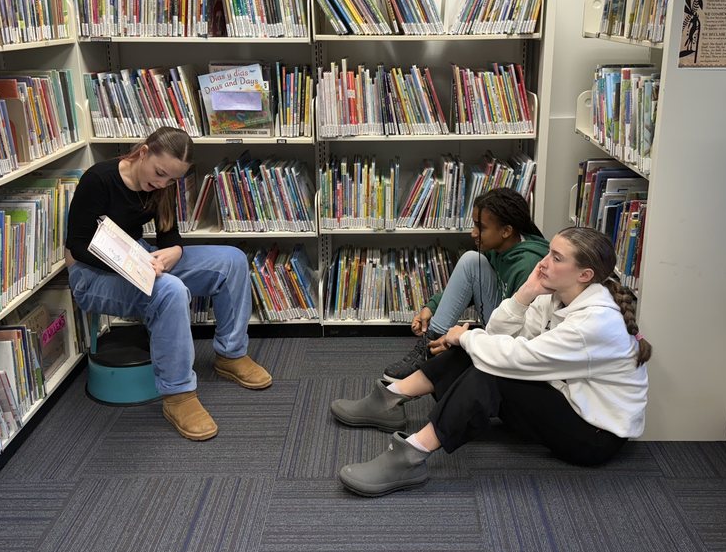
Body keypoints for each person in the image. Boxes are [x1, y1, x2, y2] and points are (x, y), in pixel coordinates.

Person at [330, 226, 651, 496]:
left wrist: (465, 337)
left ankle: (410, 456)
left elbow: (516, 357)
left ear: (585, 274)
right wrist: (526, 293)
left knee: (490, 368)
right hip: (563, 400)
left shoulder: (595, 324)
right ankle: (390, 399)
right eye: (548, 252)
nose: (543, 263)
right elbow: (499, 335)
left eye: (556, 258)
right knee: (479, 345)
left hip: (593, 436)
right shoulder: (556, 295)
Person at [65, 127, 271, 441]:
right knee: (170, 290)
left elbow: (167, 234)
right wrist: (129, 265)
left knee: (232, 260)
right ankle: (178, 395)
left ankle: (231, 355)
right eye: (160, 173)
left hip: (138, 257)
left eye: (172, 179)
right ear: (143, 152)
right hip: (92, 274)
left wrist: (175, 250)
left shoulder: (163, 184)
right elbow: (78, 246)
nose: (162, 183)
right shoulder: (99, 179)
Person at [381, 187, 548, 382]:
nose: (473, 233)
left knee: (470, 259)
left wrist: (471, 341)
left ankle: (431, 350)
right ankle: (430, 343)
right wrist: (432, 307)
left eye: (481, 227)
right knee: (471, 261)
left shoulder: (527, 265)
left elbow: (522, 333)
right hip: (501, 317)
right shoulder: (499, 248)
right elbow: (469, 281)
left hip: (513, 339)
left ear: (506, 231)